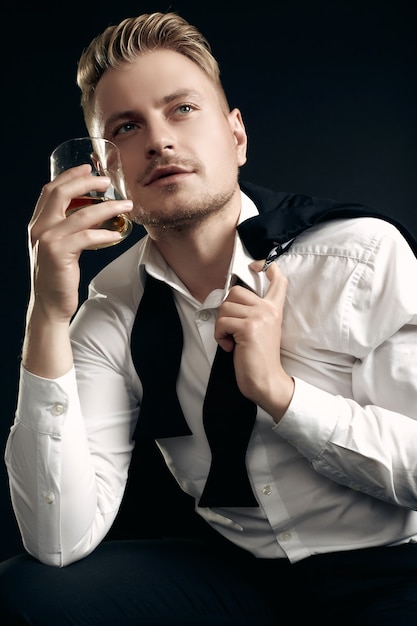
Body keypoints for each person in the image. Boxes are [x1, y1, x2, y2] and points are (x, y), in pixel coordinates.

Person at [1, 10, 416, 626]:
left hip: (391, 568)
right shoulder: (112, 305)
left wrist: (281, 395)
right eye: (125, 128)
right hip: (238, 575)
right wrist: (47, 316)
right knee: (28, 590)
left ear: (237, 136)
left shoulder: (359, 255)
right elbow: (57, 540)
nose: (159, 141)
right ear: (104, 170)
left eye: (182, 110)